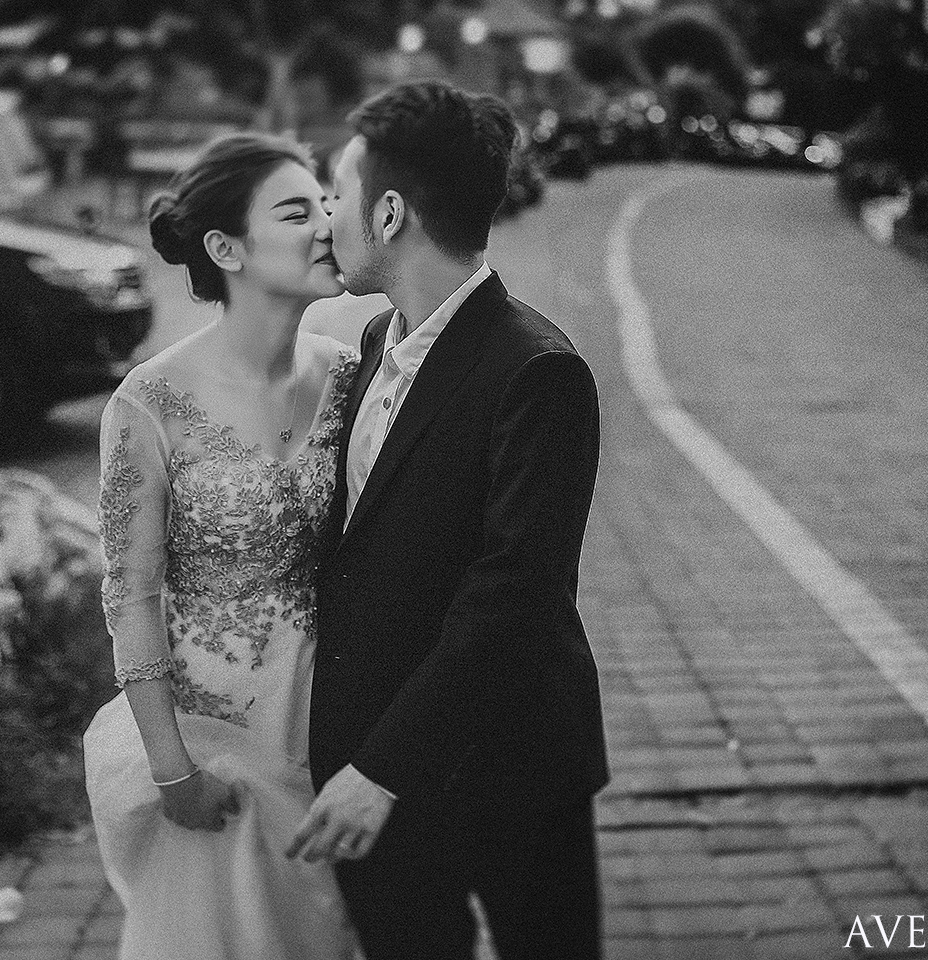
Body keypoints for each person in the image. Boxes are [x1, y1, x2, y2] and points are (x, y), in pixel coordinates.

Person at [287, 81, 610, 960]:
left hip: (509, 765)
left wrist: (381, 769)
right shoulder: (370, 347)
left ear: (389, 212)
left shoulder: (537, 372)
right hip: (376, 764)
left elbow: (514, 599)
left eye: (337, 193)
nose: (326, 215)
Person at [82, 132, 358, 960]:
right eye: (296, 212)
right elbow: (130, 592)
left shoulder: (352, 375)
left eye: (326, 203)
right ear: (226, 249)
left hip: (332, 712)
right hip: (215, 735)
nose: (327, 224)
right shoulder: (150, 403)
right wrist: (173, 770)